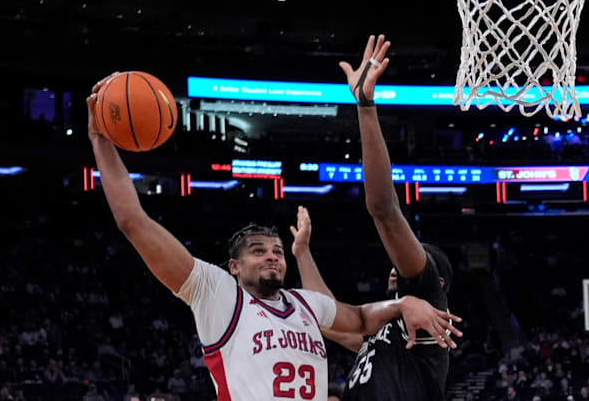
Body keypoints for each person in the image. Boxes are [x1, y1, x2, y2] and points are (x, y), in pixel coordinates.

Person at [86, 74, 461, 401]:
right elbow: (134, 221)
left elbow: (361, 318)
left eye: (277, 251)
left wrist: (400, 304)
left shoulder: (305, 305)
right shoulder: (217, 293)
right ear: (233, 266)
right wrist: (100, 140)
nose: (272, 256)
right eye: (258, 251)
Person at [294, 34, 460, 401]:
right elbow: (328, 317)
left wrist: (366, 106)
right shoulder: (387, 334)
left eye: (410, 260)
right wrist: (302, 252)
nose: (395, 266)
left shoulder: (426, 299)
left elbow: (384, 210)